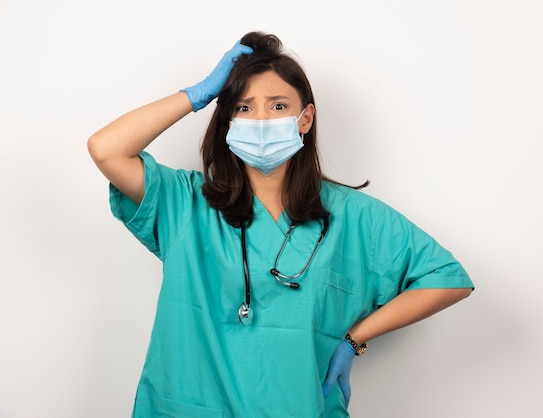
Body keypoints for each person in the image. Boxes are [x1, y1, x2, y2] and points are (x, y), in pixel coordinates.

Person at [88, 31, 474, 418]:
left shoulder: (354, 216)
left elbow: (447, 279)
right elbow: (106, 149)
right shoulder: (186, 203)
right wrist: (198, 94)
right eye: (243, 108)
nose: (260, 121)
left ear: (305, 118)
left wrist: (353, 340)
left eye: (277, 107)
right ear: (227, 122)